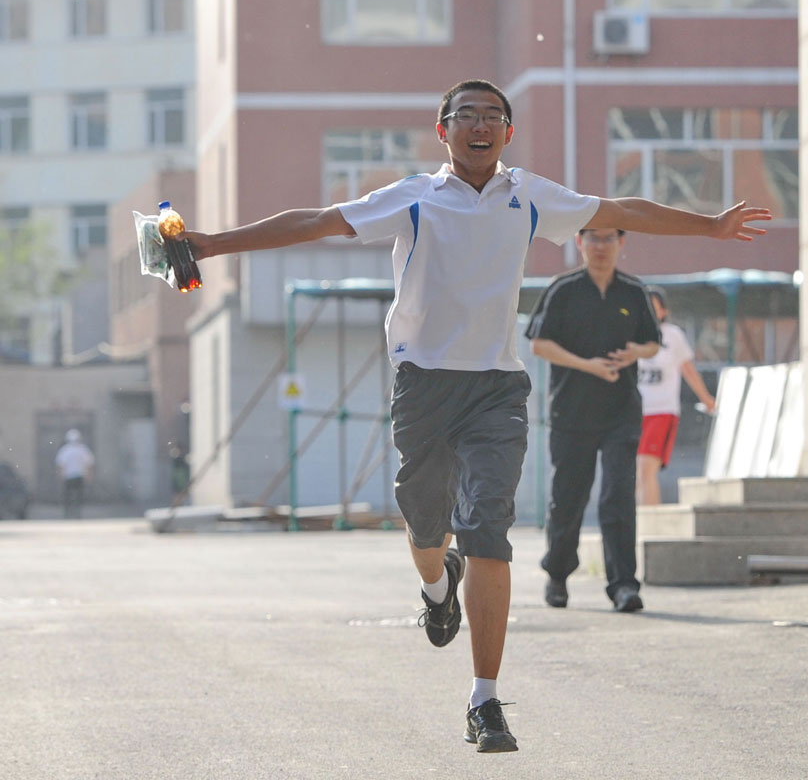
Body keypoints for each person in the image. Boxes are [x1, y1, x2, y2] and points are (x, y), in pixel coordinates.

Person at [178, 78, 770, 753]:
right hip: (424, 386)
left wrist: (712, 226)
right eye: (467, 116)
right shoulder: (414, 198)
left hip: (497, 386)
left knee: (487, 527)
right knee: (426, 523)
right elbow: (316, 221)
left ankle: (485, 700)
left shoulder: (529, 195)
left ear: (508, 133)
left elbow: (620, 206)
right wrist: (212, 244)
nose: (481, 125)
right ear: (444, 131)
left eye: (494, 116)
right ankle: (437, 585)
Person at [526, 229, 659, 613]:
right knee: (569, 498)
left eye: (608, 239)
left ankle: (623, 585)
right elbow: (538, 343)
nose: (600, 247)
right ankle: (558, 574)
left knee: (618, 496)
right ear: (579, 243)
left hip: (621, 411)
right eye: (592, 239)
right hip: (572, 412)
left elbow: (652, 342)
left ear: (622, 243)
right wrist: (588, 366)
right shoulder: (563, 289)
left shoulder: (634, 291)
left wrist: (637, 351)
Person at [637, 288, 717, 506]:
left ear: (663, 311)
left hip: (661, 412)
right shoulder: (631, 334)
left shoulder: (673, 336)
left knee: (646, 468)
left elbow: (688, 371)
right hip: (634, 412)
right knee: (634, 474)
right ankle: (635, 528)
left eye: (654, 308)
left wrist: (706, 398)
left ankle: (649, 527)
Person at [55, 429, 94, 519]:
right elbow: (89, 464)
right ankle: (77, 512)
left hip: (68, 477)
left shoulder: (65, 450)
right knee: (79, 495)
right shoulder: (83, 449)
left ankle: (68, 513)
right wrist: (89, 476)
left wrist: (60, 476)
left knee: (67, 496)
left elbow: (60, 465)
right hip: (79, 476)